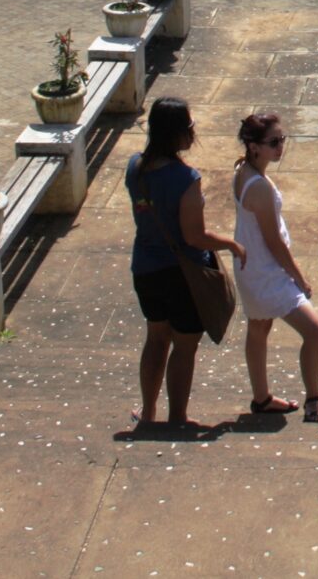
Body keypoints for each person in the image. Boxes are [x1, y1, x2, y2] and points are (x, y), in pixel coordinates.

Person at [126, 99, 246, 431]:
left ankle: (148, 414)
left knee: (155, 337)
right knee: (185, 345)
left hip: (145, 268)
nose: (193, 133)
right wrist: (231, 244)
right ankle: (177, 416)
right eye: (190, 127)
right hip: (181, 276)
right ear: (177, 133)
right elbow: (193, 236)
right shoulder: (185, 178)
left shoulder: (135, 167)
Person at [232, 111, 318, 423]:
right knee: (316, 331)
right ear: (253, 146)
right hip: (265, 270)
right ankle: (312, 399)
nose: (280, 147)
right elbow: (274, 241)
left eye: (282, 140)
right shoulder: (258, 186)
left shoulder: (243, 171)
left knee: (259, 327)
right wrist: (299, 277)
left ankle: (261, 397)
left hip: (252, 266)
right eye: (273, 142)